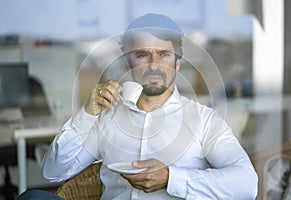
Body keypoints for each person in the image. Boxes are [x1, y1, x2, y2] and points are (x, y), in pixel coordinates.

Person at [20, 13, 258, 199]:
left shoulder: (205, 120)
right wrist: (87, 114)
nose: (155, 65)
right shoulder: (106, 117)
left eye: (164, 55)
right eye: (143, 55)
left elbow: (247, 185)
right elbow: (53, 172)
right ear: (127, 63)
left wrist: (171, 179)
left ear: (177, 64)